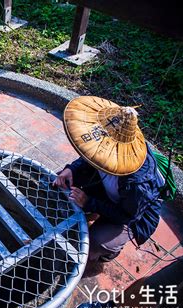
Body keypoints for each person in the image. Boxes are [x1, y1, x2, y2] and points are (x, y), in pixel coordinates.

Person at [54, 96, 164, 263]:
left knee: (93, 244)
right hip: (107, 192)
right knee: (61, 182)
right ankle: (91, 211)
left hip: (130, 214)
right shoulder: (106, 142)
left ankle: (109, 252)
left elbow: (128, 216)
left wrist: (89, 202)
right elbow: (91, 152)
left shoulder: (137, 185)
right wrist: (71, 168)